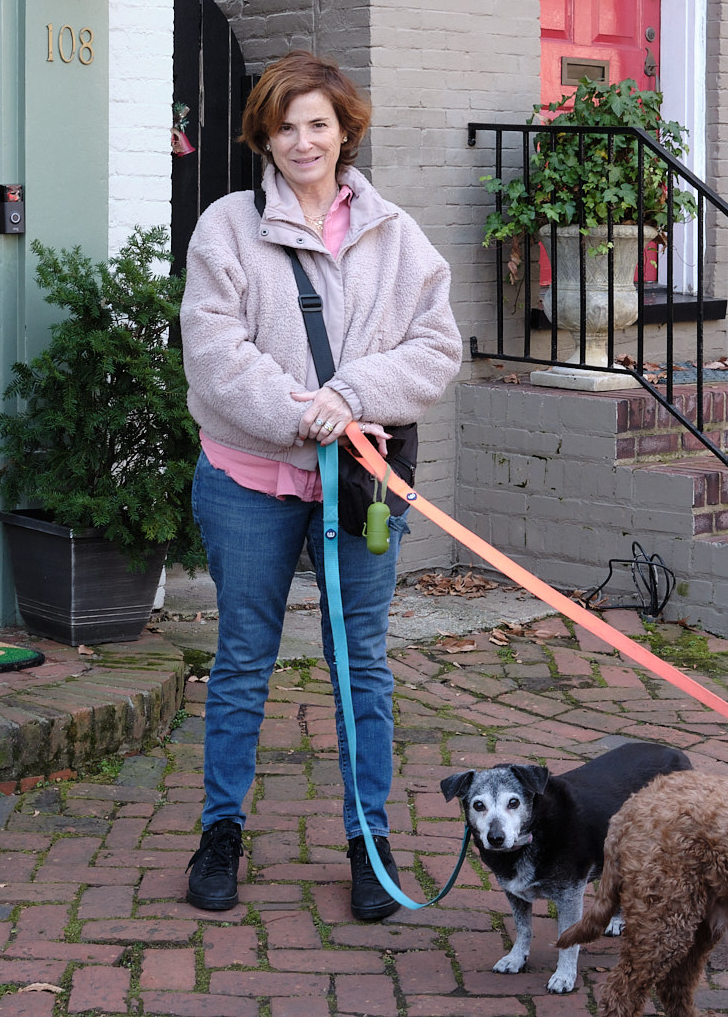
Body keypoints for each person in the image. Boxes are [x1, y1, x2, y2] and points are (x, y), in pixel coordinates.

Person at [179, 50, 462, 920]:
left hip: (357, 494)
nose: (302, 140)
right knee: (242, 663)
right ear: (264, 134)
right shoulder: (226, 228)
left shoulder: (396, 234)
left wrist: (350, 396)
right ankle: (220, 832)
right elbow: (214, 351)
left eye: (319, 124)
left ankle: (368, 841)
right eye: (285, 125)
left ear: (346, 132)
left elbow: (436, 347)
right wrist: (305, 415)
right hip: (248, 483)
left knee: (360, 668)